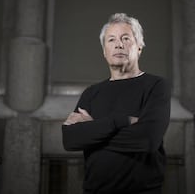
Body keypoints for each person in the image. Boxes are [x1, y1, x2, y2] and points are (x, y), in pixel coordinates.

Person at [62, 13, 171, 194]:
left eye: (126, 38)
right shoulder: (91, 93)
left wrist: (91, 129)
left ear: (139, 47)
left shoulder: (156, 86)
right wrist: (119, 122)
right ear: (104, 51)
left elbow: (147, 140)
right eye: (111, 40)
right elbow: (70, 140)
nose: (118, 44)